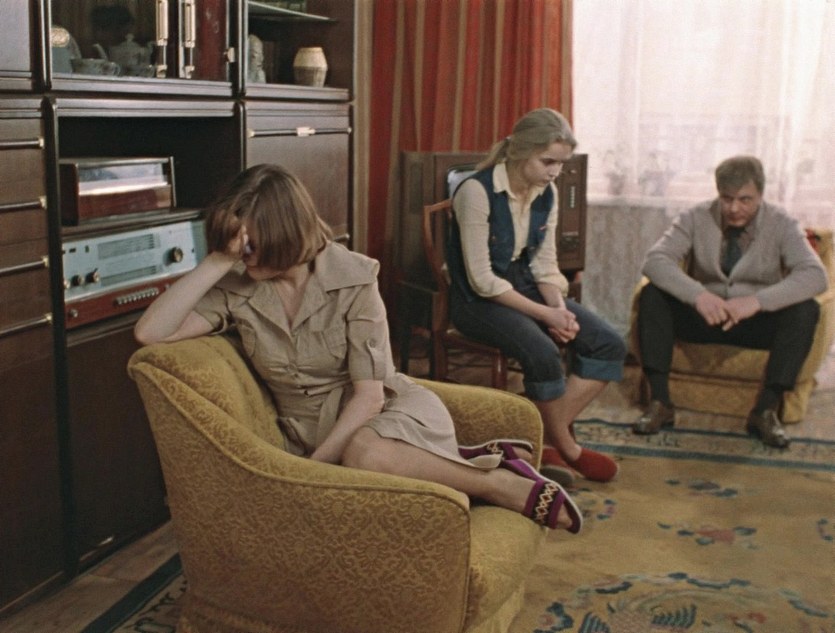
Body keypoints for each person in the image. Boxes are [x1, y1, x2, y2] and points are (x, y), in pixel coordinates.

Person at [134, 164, 582, 533]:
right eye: (236, 244)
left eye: (249, 243)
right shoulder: (238, 286)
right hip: (313, 431)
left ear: (284, 232)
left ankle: (499, 483)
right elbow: (151, 333)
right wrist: (218, 260)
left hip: (385, 411)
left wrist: (312, 472)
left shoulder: (355, 277)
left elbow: (369, 397)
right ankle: (464, 461)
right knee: (366, 457)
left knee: (367, 454)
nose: (242, 253)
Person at [447, 108, 626, 486]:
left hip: (524, 285)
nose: (556, 171)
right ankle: (569, 449)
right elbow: (481, 280)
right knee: (543, 352)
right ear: (519, 152)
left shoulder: (548, 193)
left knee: (608, 344)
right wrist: (546, 316)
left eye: (561, 163)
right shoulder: (475, 192)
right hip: (476, 301)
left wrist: (558, 309)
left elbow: (544, 266)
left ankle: (535, 439)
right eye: (548, 162)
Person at [632, 155, 828, 448]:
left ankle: (765, 410)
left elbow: (815, 276)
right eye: (727, 199)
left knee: (806, 310)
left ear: (760, 195)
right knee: (652, 295)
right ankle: (660, 402)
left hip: (754, 323)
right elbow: (655, 260)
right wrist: (698, 295)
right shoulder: (695, 216)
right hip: (705, 316)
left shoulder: (782, 223)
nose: (734, 208)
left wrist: (757, 301)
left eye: (745, 200)